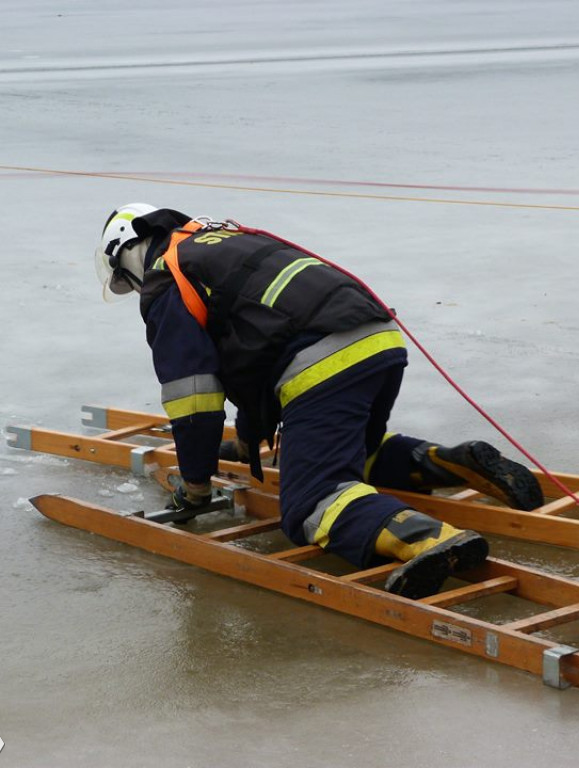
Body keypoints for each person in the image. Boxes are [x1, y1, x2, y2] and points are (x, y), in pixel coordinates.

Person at [94, 204, 544, 599]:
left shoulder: (166, 282)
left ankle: (426, 539)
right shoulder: (220, 241)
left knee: (312, 501)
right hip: (377, 340)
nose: (131, 287)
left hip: (319, 362)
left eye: (122, 278)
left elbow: (194, 400)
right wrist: (249, 443)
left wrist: (194, 488)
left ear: (128, 252)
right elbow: (249, 361)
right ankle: (450, 461)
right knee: (355, 454)